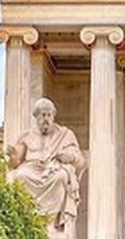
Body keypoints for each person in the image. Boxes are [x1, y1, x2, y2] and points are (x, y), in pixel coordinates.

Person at [7, 97, 86, 230]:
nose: (46, 119)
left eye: (49, 115)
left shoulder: (65, 134)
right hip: (31, 169)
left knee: (61, 176)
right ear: (36, 117)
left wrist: (70, 157)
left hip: (53, 169)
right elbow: (15, 163)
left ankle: (50, 223)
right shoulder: (26, 136)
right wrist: (12, 155)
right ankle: (27, 222)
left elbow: (81, 161)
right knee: (19, 176)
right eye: (43, 115)